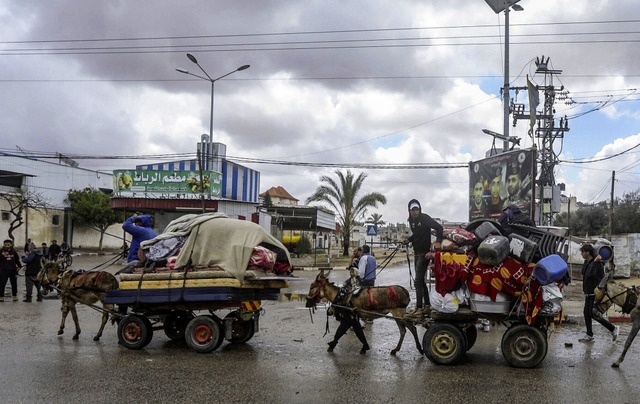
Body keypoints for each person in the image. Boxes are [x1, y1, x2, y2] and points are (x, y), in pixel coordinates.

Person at [403, 199, 443, 318]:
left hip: (424, 254)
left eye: (417, 209)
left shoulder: (425, 218)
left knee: (417, 281)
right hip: (416, 252)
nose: (415, 212)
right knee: (421, 281)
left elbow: (439, 228)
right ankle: (427, 306)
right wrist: (408, 240)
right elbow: (417, 234)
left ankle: (419, 308)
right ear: (409, 211)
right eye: (412, 210)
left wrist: (438, 242)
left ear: (420, 209)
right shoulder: (411, 220)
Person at [578, 244, 619, 343]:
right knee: (586, 314)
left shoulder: (598, 264)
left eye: (583, 252)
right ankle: (589, 335)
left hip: (595, 294)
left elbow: (590, 274)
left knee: (593, 314)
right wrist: (587, 262)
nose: (582, 254)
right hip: (588, 293)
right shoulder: (588, 262)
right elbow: (584, 272)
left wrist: (595, 262)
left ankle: (613, 328)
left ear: (588, 252)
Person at [326, 286, 370, 355]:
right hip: (348, 319)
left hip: (350, 319)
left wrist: (354, 310)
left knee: (342, 333)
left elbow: (358, 308)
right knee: (340, 333)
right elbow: (330, 312)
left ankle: (332, 345)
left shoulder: (353, 298)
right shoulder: (339, 300)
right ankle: (332, 345)